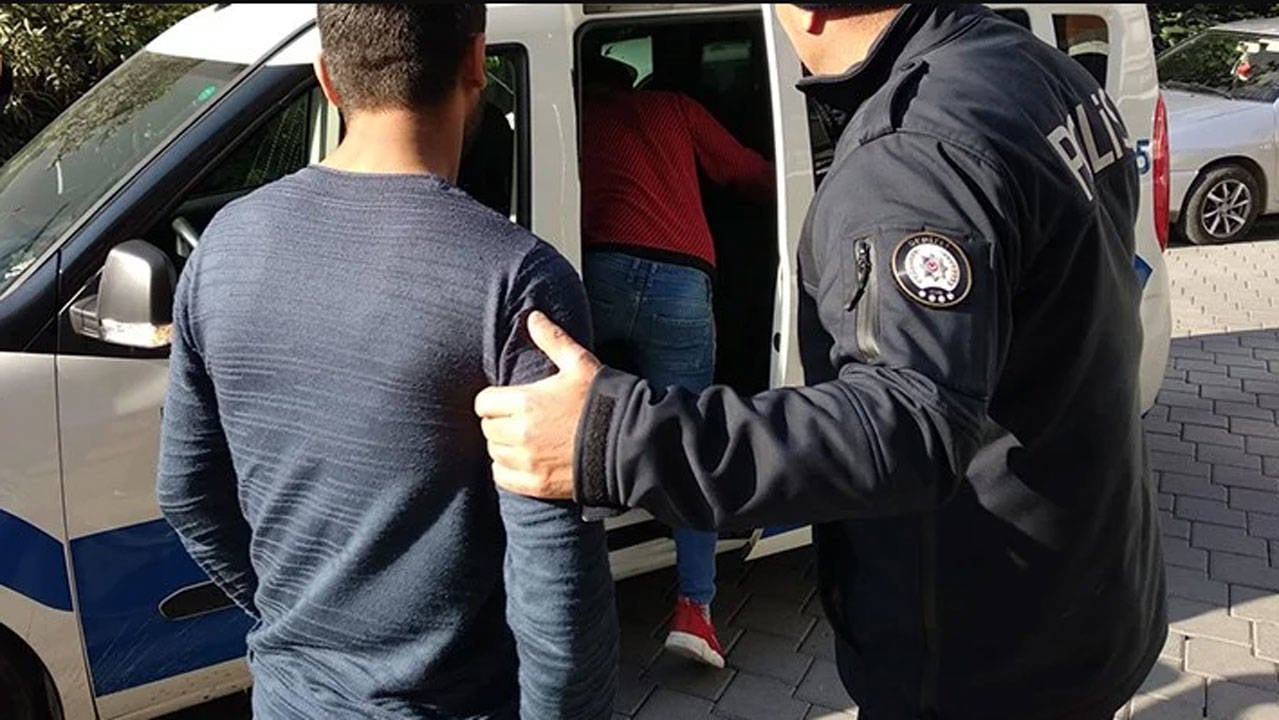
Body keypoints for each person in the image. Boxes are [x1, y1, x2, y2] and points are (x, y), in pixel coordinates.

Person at [474, 4, 1166, 720]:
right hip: (1092, 592)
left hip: (987, 648)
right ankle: (695, 602)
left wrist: (616, 437)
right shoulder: (1037, 67)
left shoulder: (913, 150)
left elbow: (907, 425)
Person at [156, 4, 617, 719]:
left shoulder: (224, 244)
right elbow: (556, 578)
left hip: (290, 700)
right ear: (476, 62)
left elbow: (188, 494)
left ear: (326, 78)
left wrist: (295, 625)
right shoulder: (518, 280)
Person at [577, 53, 773, 668]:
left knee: (585, 431)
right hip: (680, 286)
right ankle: (696, 614)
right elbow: (750, 174)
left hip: (599, 274)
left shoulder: (577, 117)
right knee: (690, 441)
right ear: (628, 79)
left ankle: (576, 590)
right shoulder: (673, 109)